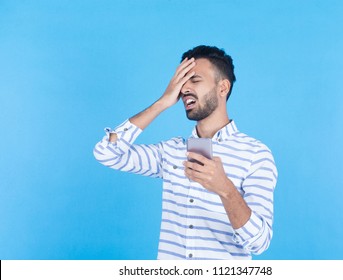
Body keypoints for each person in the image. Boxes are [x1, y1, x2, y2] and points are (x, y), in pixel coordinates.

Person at [93, 45, 277, 260]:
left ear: (223, 88)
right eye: (181, 82)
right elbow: (107, 153)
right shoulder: (171, 152)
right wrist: (162, 103)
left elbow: (259, 242)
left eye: (195, 80)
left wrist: (225, 189)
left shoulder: (256, 155)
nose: (184, 89)